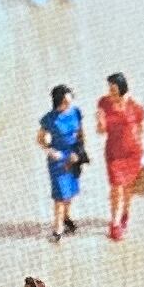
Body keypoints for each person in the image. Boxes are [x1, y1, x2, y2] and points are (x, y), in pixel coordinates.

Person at [96, 70, 144, 241]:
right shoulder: (103, 103)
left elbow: (140, 129)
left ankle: (125, 213)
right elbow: (101, 130)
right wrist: (100, 122)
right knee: (116, 187)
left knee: (128, 188)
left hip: (133, 153)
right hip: (114, 153)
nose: (110, 92)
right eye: (109, 88)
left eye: (113, 89)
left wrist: (142, 149)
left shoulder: (135, 106)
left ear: (122, 88)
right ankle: (114, 223)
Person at [37, 83, 88, 242]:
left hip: (73, 155)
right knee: (60, 194)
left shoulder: (76, 112)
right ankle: (58, 227)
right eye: (65, 102)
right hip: (58, 159)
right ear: (58, 101)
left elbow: (81, 134)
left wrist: (79, 152)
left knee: (70, 191)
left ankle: (66, 217)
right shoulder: (49, 118)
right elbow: (40, 139)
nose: (69, 104)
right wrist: (50, 151)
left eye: (70, 101)